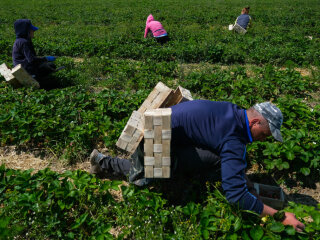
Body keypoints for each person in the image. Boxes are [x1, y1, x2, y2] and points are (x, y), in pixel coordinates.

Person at [90, 100, 305, 232]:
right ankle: (102, 162)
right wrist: (279, 216)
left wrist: (241, 179)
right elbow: (236, 197)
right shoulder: (234, 140)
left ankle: (183, 174)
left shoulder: (232, 113)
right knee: (152, 175)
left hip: (168, 131)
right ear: (255, 123)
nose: (263, 139)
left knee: (222, 161)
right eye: (265, 135)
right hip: (156, 137)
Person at [12, 19, 57, 87]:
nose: (33, 31)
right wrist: (46, 58)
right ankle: (38, 81)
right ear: (26, 31)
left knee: (48, 65)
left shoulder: (20, 40)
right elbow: (32, 60)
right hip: (26, 70)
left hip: (24, 66)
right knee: (50, 69)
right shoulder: (24, 42)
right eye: (31, 30)